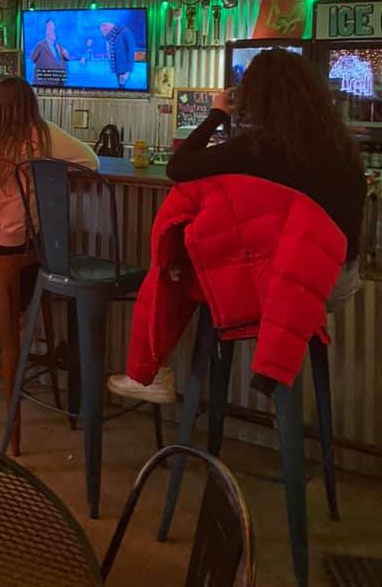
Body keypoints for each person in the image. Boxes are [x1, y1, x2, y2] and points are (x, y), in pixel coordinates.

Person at [109, 47, 367, 403]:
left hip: (283, 293)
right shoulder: (341, 149)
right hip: (338, 284)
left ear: (255, 100)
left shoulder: (254, 150)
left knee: (181, 269)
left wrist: (217, 113)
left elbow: (178, 168)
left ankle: (152, 369)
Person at [0, 76, 99, 343]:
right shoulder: (42, 133)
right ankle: (15, 317)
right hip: (19, 239)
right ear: (31, 103)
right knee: (45, 242)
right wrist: (50, 169)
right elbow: (90, 161)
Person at [29, 18, 70, 86]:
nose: (52, 31)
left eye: (53, 29)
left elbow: (66, 60)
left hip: (58, 86)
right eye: (50, 28)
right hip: (43, 86)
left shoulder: (59, 47)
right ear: (46, 30)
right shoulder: (40, 45)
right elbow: (32, 59)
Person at [100, 21, 136, 88]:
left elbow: (132, 51)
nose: (104, 36)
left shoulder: (125, 31)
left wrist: (128, 71)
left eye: (105, 33)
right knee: (120, 85)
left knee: (122, 86)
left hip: (123, 71)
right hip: (116, 69)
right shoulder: (110, 38)